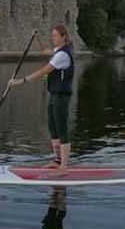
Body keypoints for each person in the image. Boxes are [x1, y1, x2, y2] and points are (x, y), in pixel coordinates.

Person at [7, 24, 75, 170]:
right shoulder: (58, 51)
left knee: (61, 129)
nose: (53, 38)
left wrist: (21, 81)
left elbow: (44, 70)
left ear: (64, 37)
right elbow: (45, 51)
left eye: (56, 36)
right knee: (52, 127)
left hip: (62, 96)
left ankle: (64, 166)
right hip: (54, 95)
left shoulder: (63, 54)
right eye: (52, 35)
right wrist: (37, 38)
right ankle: (57, 161)